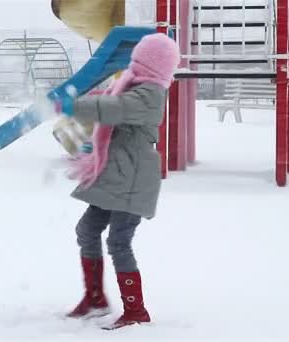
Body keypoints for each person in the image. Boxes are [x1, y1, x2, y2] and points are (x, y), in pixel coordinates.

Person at [54, 33, 180, 330]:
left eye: (140, 57)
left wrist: (75, 106)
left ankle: (136, 310)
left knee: (119, 241)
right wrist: (92, 110)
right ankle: (95, 297)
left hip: (134, 177)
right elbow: (111, 103)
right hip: (116, 172)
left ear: (150, 62)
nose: (135, 61)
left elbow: (116, 109)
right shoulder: (134, 86)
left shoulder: (151, 93)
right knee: (87, 229)